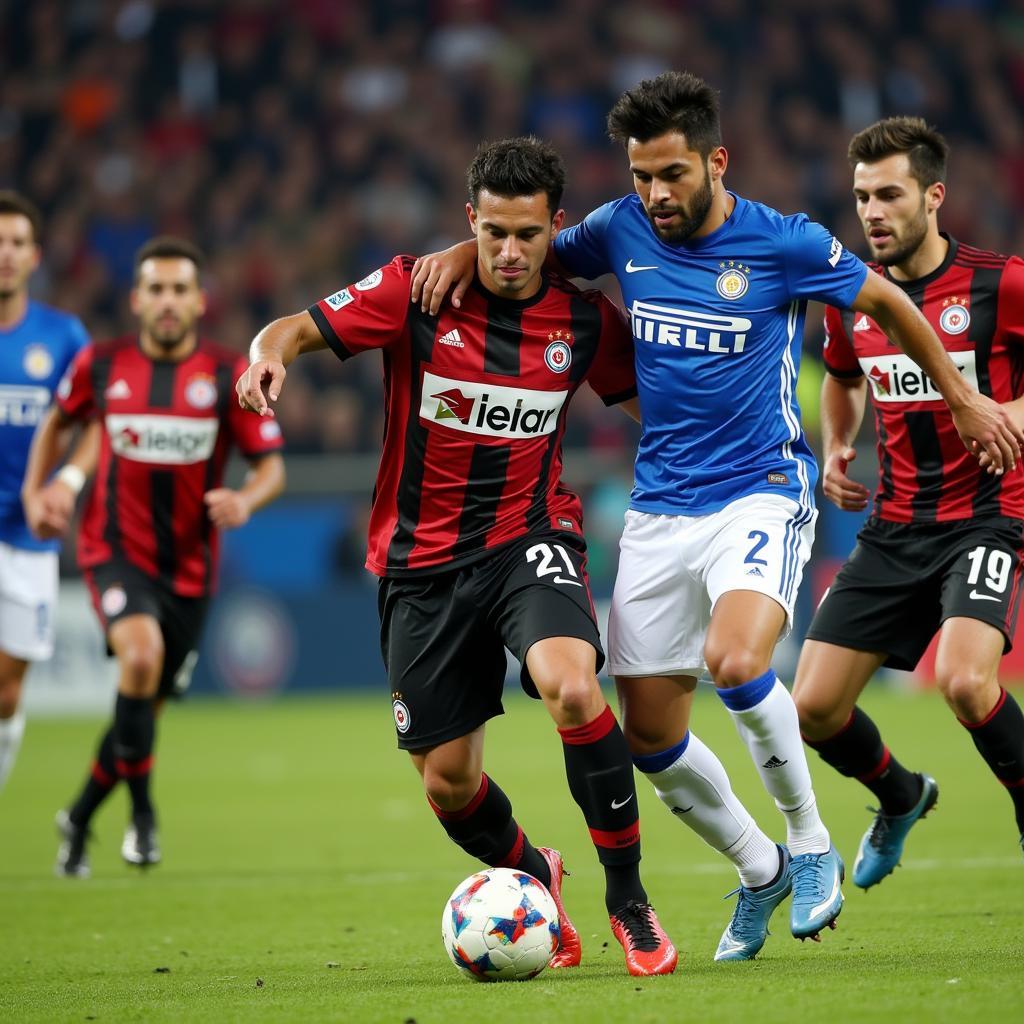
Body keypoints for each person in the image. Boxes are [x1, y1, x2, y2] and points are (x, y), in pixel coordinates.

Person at [410, 72, 1022, 960]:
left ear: (715, 161)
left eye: (672, 175)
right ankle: (761, 865)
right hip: (661, 504)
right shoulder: (622, 228)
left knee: (737, 660)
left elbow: (885, 301)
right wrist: (463, 254)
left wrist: (963, 398)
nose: (655, 195)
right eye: (640, 176)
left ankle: (811, 847)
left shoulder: (783, 242)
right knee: (649, 734)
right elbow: (528, 248)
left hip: (761, 489)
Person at [236, 137, 677, 977]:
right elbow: (293, 328)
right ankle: (535, 873)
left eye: (528, 234)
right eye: (494, 233)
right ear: (469, 220)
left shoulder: (584, 320)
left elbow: (654, 408)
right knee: (446, 781)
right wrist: (266, 358)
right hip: (420, 565)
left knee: (574, 685)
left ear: (555, 227)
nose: (510, 253)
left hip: (529, 538)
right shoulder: (413, 289)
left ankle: (629, 900)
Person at [792, 116, 1024, 886]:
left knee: (964, 680)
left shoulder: (1001, 282)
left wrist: (1000, 415)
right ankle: (899, 794)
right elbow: (843, 377)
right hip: (896, 525)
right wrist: (837, 442)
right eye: (862, 197)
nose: (872, 212)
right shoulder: (852, 296)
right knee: (814, 708)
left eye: (889, 194)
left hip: (989, 516)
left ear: (934, 196)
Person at [23, 236, 286, 876]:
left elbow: (270, 467)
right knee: (139, 660)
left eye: (179, 291)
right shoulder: (100, 365)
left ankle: (79, 816)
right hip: (115, 550)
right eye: (156, 290)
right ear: (137, 299)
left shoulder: (227, 374)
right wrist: (39, 488)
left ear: (199, 301)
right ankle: (143, 818)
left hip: (191, 570)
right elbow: (59, 423)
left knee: (141, 708)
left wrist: (246, 501)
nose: (167, 302)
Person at [0, 190, 94, 793]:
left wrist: (66, 480)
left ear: (34, 256)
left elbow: (98, 422)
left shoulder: (61, 336)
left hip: (26, 534)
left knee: (7, 692)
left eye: (14, 244)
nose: (3, 254)